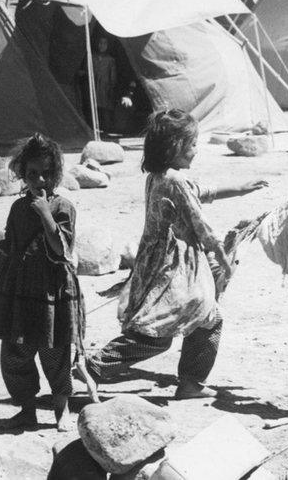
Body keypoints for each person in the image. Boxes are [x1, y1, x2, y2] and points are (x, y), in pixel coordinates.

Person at [82, 109, 268, 399]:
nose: (196, 150)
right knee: (158, 335)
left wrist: (242, 188)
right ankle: (94, 367)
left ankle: (191, 383)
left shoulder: (160, 177)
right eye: (192, 144)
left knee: (205, 317)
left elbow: (204, 192)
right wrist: (222, 257)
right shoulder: (174, 181)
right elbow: (200, 223)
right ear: (174, 146)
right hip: (172, 269)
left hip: (158, 263)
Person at [0, 134, 85, 431]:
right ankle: (27, 408)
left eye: (47, 173)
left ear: (56, 174)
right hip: (20, 291)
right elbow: (10, 248)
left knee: (55, 351)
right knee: (14, 353)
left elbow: (62, 249)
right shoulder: (18, 209)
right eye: (32, 173)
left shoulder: (62, 207)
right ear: (23, 174)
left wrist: (45, 213)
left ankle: (62, 409)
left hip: (52, 292)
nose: (40, 180)